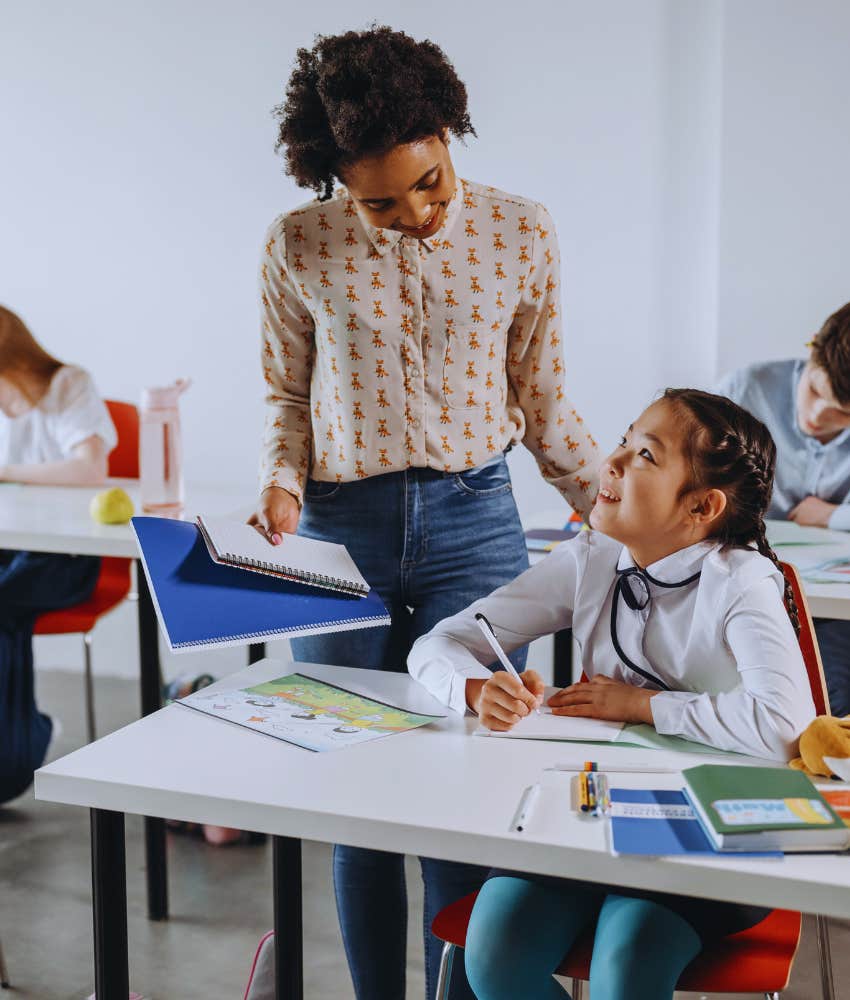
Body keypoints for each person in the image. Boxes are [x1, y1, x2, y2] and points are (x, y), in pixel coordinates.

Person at [248, 26, 600, 1000]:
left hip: (474, 521)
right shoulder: (297, 244)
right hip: (336, 529)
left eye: (431, 183)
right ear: (335, 181)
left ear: (451, 135)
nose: (415, 214)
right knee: (358, 795)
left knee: (463, 785)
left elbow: (542, 398)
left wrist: (615, 512)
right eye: (379, 201)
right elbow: (285, 394)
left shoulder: (521, 230)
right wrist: (281, 479)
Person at [408, 389, 815, 1000]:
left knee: (627, 964)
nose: (613, 462)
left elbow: (784, 725)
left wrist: (642, 705)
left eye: (646, 456)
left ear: (702, 505)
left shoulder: (742, 581)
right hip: (587, 817)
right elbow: (437, 644)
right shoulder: (591, 558)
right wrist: (473, 688)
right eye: (624, 441)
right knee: (495, 955)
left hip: (708, 833)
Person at [0, 305, 116, 804]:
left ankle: (16, 756)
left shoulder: (68, 384)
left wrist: (4, 471)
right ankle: (17, 751)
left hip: (65, 560)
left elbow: (90, 469)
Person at [716, 300, 850, 716]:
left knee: (828, 692)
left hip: (832, 606)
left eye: (842, 414)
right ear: (811, 353)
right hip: (745, 580)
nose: (815, 416)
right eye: (814, 391)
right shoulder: (746, 389)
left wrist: (831, 515)